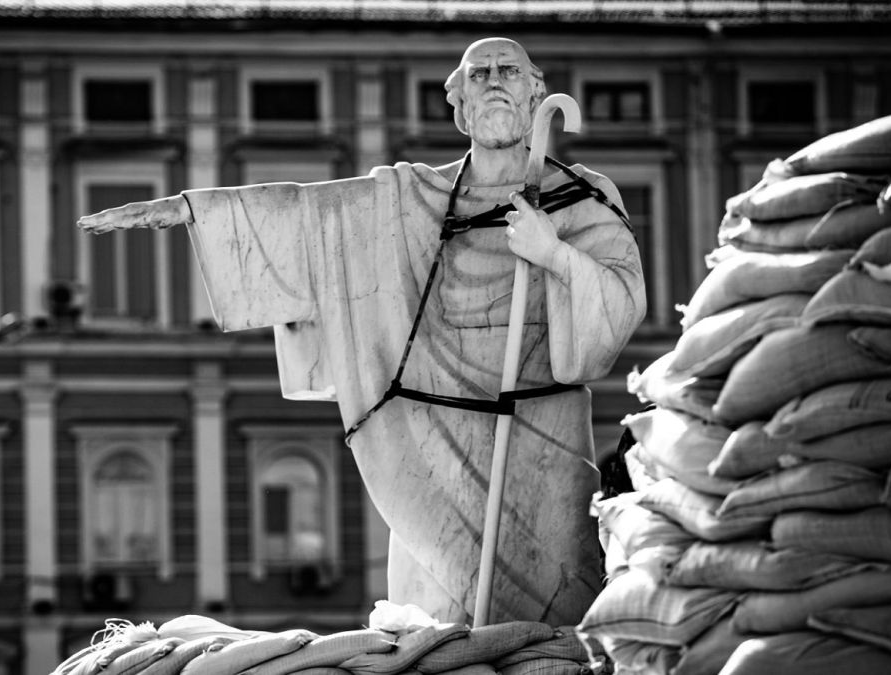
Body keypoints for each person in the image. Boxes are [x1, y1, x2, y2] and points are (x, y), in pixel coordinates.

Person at [79, 37, 646, 627]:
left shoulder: (581, 197)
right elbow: (309, 216)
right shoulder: (413, 199)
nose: (495, 82)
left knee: (555, 624)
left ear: (535, 93)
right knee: (435, 632)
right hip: (430, 447)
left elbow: (620, 305)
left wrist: (553, 254)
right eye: (479, 75)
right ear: (459, 104)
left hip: (541, 437)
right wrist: (194, 211)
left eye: (509, 71)